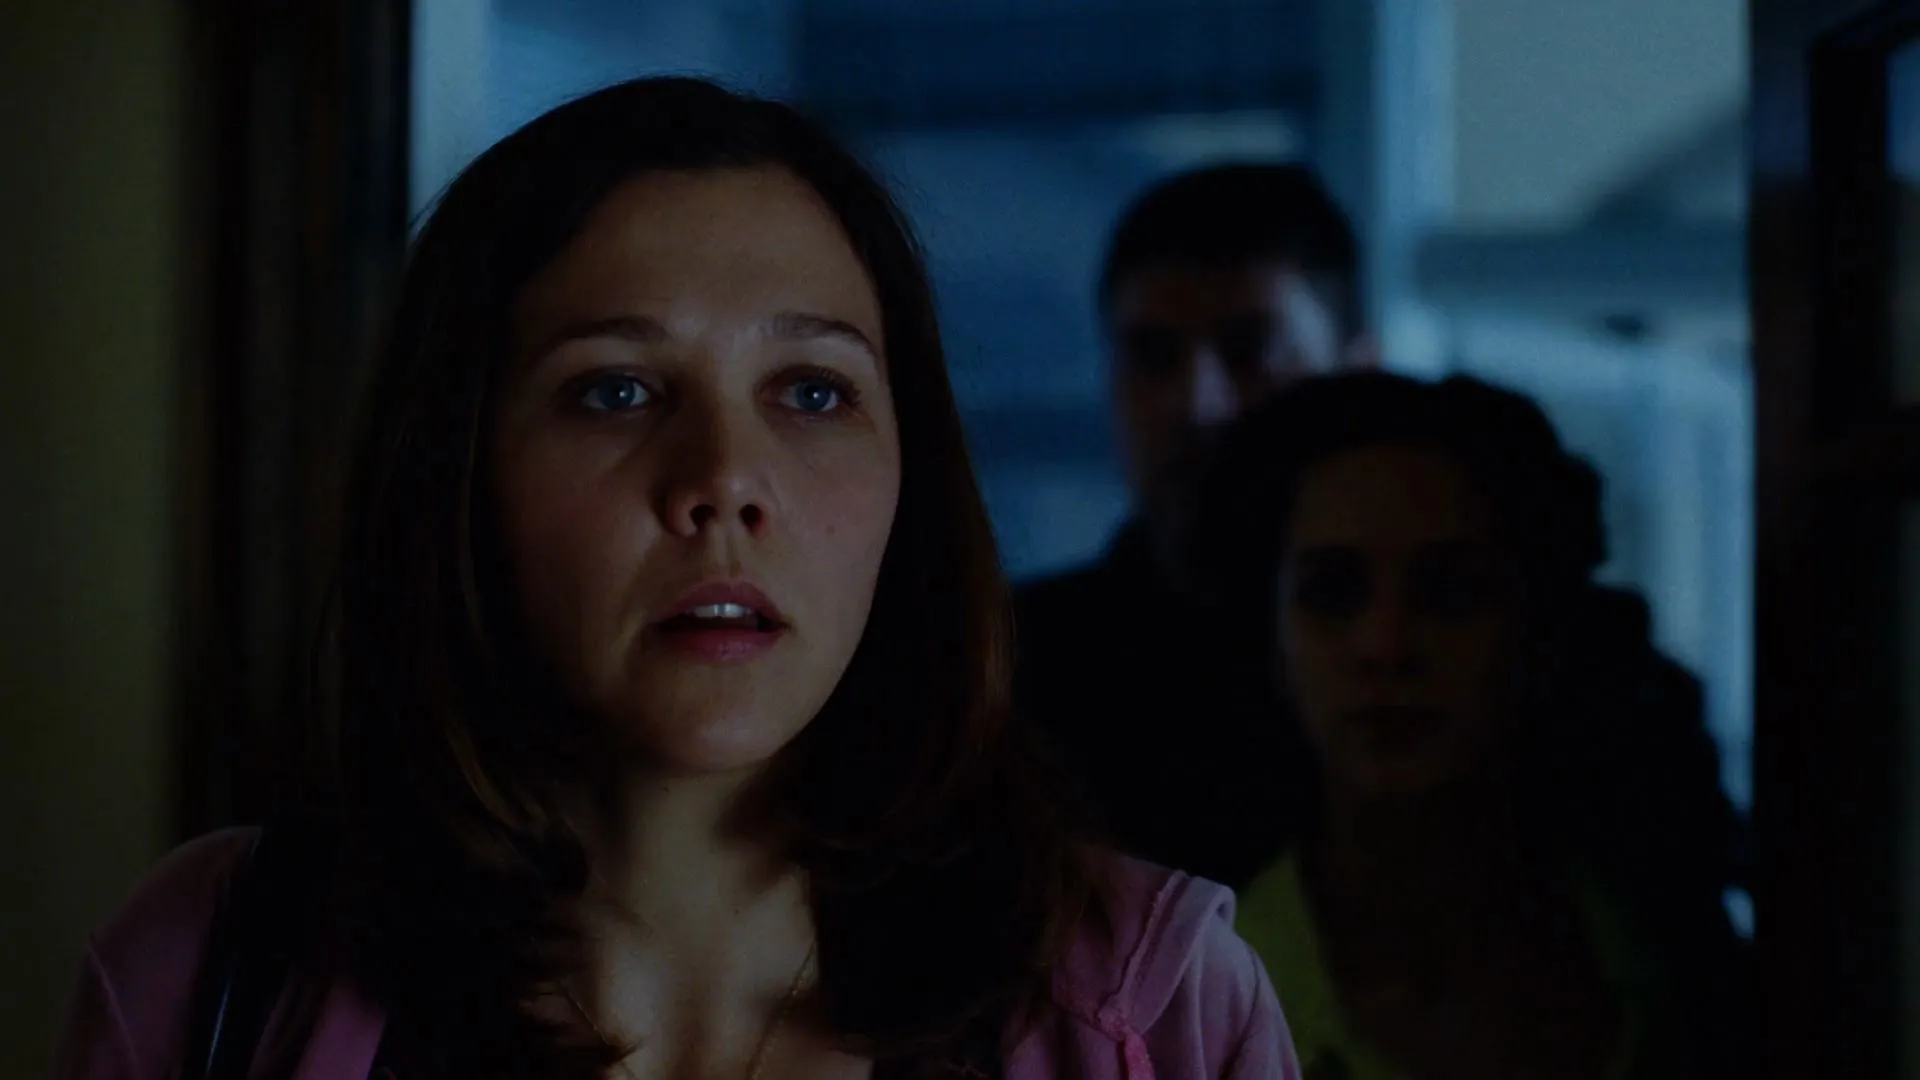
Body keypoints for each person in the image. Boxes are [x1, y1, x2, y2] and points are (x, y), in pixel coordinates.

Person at [53, 78, 1300, 1080]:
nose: (723, 481)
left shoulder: (1159, 1011)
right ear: (458, 470)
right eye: (616, 391)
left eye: (812, 392)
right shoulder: (215, 969)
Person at [1191, 372, 1750, 1079]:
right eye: (1331, 593)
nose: (1387, 646)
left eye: (1451, 591)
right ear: (1272, 642)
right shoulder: (1196, 1005)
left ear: (1537, 631)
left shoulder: (1658, 957)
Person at [1013, 164, 1377, 891]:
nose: (1199, 403)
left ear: (1359, 371)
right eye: (1152, 358)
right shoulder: (1001, 678)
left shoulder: (1468, 655)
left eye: (1253, 353)